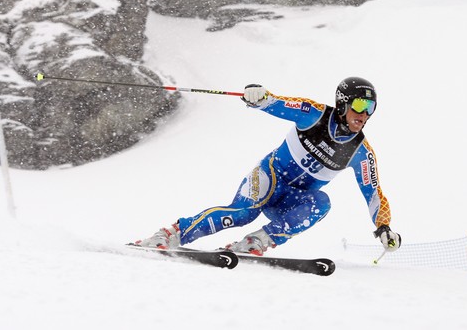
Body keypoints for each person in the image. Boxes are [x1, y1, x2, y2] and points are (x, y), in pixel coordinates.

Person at [135, 77, 401, 256]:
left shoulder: (361, 152)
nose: (364, 114)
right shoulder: (314, 114)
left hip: (292, 201)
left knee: (321, 203)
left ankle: (254, 243)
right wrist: (259, 97)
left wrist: (384, 227)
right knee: (242, 214)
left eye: (371, 108)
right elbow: (277, 103)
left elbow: (373, 193)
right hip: (269, 177)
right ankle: (170, 234)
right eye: (360, 105)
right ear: (343, 103)